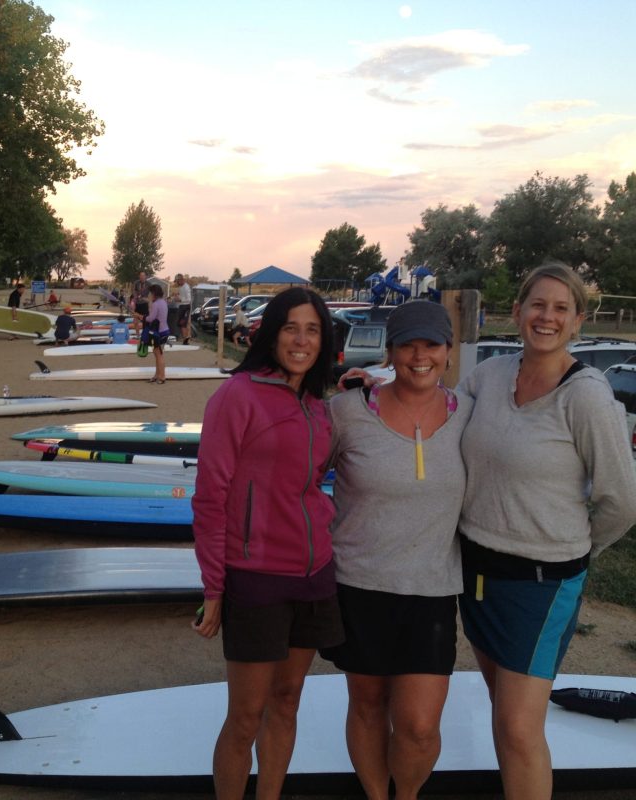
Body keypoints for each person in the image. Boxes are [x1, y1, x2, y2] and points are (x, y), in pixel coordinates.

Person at [457, 261, 636, 800]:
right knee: (504, 711)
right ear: (516, 311)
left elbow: (621, 502)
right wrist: (369, 389)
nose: (547, 316)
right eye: (538, 304)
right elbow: (437, 417)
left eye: (561, 308)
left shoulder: (586, 396)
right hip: (476, 570)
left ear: (578, 320)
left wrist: (575, 548)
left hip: (541, 581)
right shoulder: (488, 376)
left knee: (517, 727)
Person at [192, 287, 344, 800]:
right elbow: (210, 498)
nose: (301, 340)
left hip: (314, 574)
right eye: (290, 327)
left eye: (313, 330)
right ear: (271, 333)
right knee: (245, 716)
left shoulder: (320, 405)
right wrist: (215, 588)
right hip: (256, 577)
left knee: (288, 700)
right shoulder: (237, 396)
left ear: (324, 340)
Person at [321, 301, 473, 800]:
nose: (419, 355)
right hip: (358, 585)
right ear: (391, 352)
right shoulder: (347, 412)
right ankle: (374, 793)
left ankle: (404, 795)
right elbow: (295, 479)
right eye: (408, 344)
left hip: (430, 590)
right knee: (367, 704)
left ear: (448, 352)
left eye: (431, 344)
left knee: (419, 726)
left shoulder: (469, 415)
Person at [141, 283, 171, 383]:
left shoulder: (156, 304)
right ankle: (157, 375)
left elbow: (151, 318)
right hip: (165, 331)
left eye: (150, 293)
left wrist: (142, 317)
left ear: (154, 293)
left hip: (159, 332)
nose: (149, 295)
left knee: (159, 354)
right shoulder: (163, 302)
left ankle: (162, 377)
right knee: (157, 353)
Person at [175, 273, 192, 344]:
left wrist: (180, 300)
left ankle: (186, 339)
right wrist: (177, 297)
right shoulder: (181, 287)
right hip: (181, 306)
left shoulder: (186, 287)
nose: (177, 283)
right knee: (180, 323)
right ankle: (185, 338)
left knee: (183, 324)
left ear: (181, 280)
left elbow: (189, 299)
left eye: (177, 281)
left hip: (185, 306)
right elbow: (182, 296)